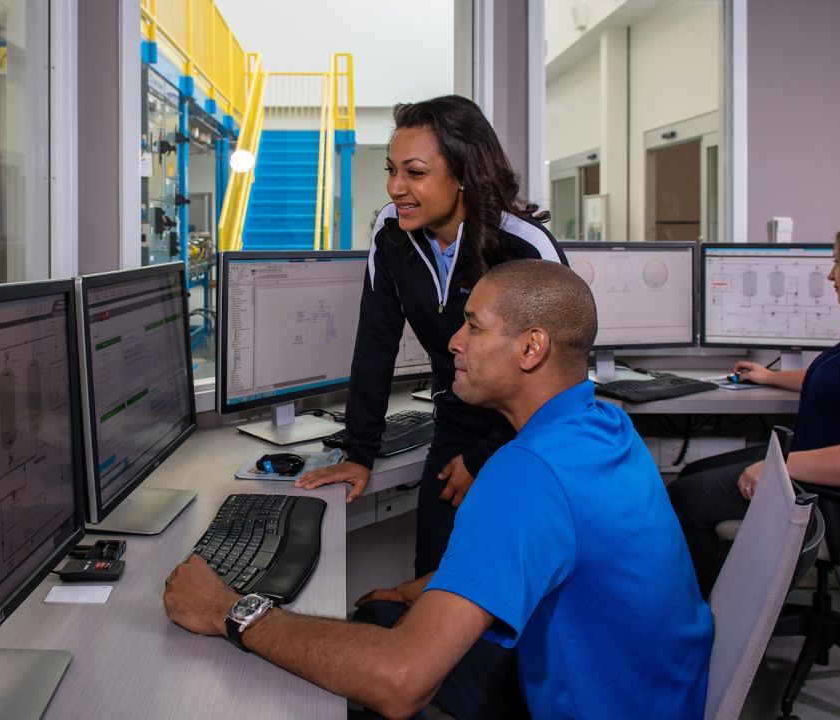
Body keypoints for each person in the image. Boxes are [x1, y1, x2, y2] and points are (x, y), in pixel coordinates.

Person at [165, 260, 713, 720]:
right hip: (657, 696)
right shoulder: (603, 426)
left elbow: (403, 684)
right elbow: (568, 549)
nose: (453, 341)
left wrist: (231, 611)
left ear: (531, 349)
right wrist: (438, 584)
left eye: (473, 326)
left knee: (332, 676)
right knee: (384, 615)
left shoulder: (527, 472)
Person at [295, 95, 566, 578]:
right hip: (457, 420)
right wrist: (360, 452)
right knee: (435, 578)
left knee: (512, 584)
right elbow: (376, 342)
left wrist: (485, 459)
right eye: (391, 170)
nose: (396, 187)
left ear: (462, 173)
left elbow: (562, 378)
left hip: (528, 432)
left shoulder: (524, 245)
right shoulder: (392, 231)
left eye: (414, 173)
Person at [668, 219, 840, 598]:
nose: (831, 275)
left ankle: (724, 623)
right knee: (692, 473)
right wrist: (768, 377)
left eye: (838, 264)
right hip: (823, 469)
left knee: (687, 499)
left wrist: (782, 468)